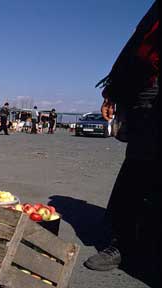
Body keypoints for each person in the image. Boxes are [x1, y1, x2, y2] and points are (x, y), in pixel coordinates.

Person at [84, 3, 159, 287]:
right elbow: (137, 47)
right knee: (139, 167)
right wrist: (112, 93)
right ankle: (123, 244)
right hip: (151, 91)